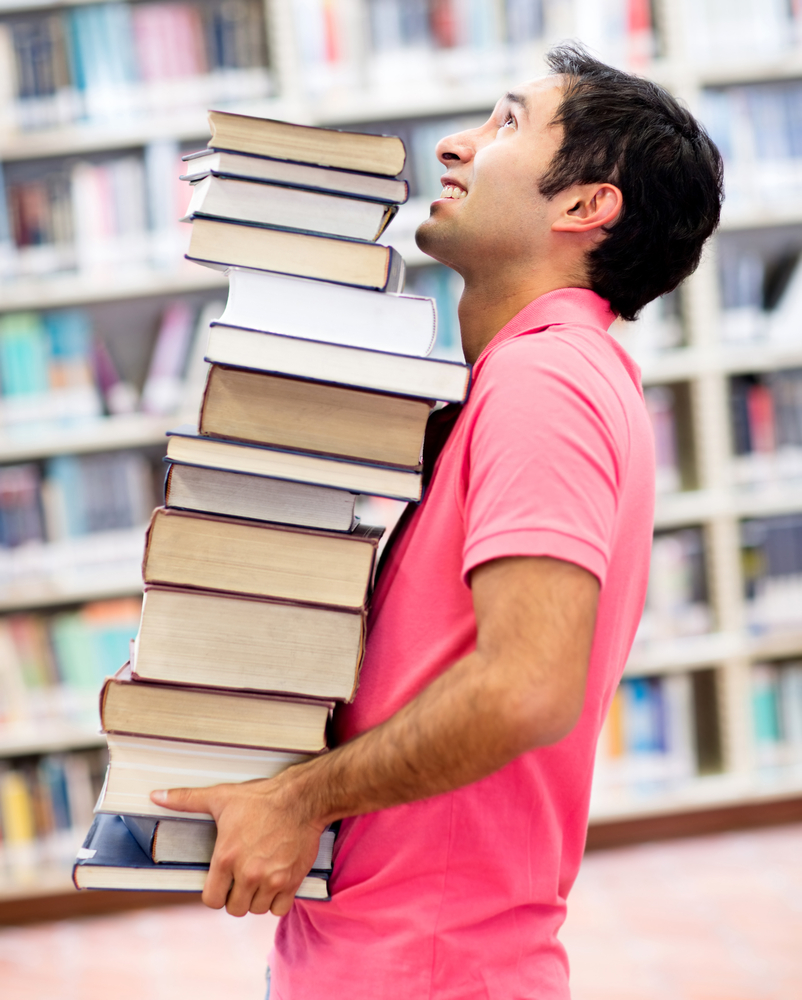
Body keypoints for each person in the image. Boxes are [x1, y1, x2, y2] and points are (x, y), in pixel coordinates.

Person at [152, 43, 723, 1000]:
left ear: (586, 207)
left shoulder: (547, 382)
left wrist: (299, 797)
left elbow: (526, 687)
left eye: (505, 123)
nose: (456, 147)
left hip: (427, 963)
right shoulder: (525, 378)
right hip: (395, 947)